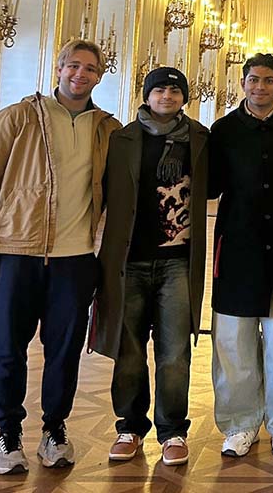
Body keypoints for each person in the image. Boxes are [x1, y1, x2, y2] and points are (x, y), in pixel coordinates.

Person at [0, 39, 122, 475]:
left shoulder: (107, 128)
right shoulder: (18, 117)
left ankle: (55, 429)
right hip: (15, 253)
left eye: (90, 68)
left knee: (64, 351)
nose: (81, 74)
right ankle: (8, 433)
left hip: (75, 259)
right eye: (74, 65)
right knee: (8, 350)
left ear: (99, 76)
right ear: (58, 67)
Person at [91, 67, 209, 466]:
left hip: (178, 262)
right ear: (146, 95)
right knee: (128, 349)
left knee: (175, 352)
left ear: (184, 97)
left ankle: (173, 430)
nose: (167, 96)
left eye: (176, 90)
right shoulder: (120, 140)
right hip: (130, 261)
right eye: (160, 89)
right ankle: (129, 426)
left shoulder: (200, 140)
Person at [207, 53, 273, 458]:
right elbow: (212, 182)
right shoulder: (223, 129)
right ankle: (240, 423)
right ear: (243, 83)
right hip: (236, 246)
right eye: (253, 80)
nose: (260, 87)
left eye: (269, 80)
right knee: (233, 342)